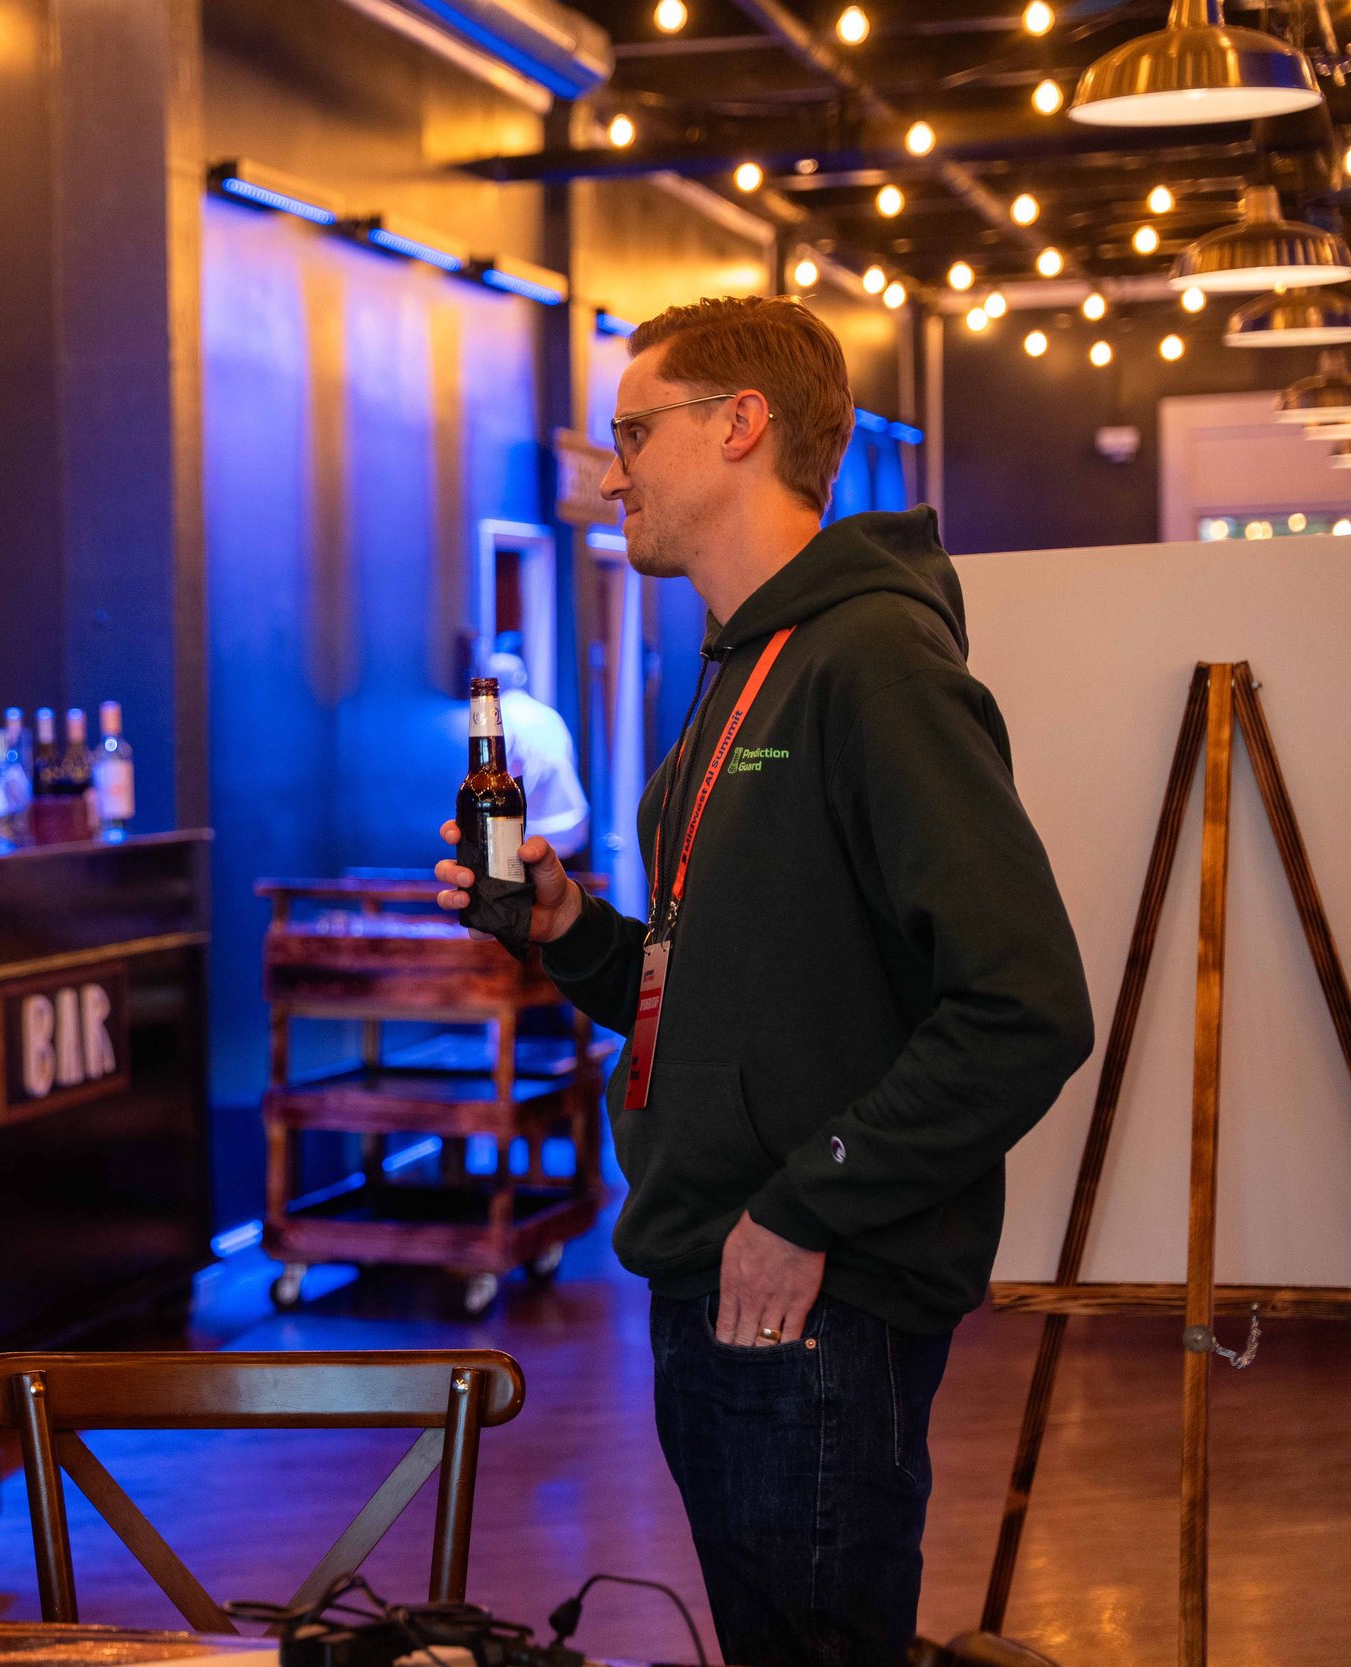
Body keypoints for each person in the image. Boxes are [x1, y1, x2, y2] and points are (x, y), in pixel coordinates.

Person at [434, 297, 1093, 1666]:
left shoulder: (874, 662)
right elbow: (727, 987)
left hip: (813, 1297)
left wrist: (802, 1204)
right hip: (719, 1277)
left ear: (742, 426)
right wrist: (570, 930)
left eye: (633, 433)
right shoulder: (747, 665)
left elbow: (1024, 1006)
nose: (612, 472)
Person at [478, 633, 589, 859]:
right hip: (573, 826)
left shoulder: (499, 716)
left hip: (530, 830)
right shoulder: (549, 715)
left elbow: (497, 776)